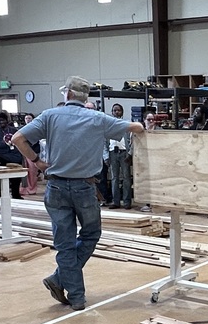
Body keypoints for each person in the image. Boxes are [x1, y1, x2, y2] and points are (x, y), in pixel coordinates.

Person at [11, 76, 144, 311]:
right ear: (85, 97)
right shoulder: (98, 118)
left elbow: (17, 139)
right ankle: (71, 290)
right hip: (85, 187)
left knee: (65, 244)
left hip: (56, 186)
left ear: (68, 94)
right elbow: (137, 128)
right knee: (91, 234)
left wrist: (38, 162)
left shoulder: (50, 116)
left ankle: (68, 287)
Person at [0, 112, 24, 199]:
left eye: (2, 120)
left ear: (7, 120)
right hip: (1, 158)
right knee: (0, 178)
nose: (1, 122)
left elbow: (20, 142)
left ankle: (16, 194)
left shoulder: (14, 130)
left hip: (15, 157)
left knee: (16, 178)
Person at [106, 103, 133, 209]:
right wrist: (106, 156)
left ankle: (127, 202)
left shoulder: (126, 124)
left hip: (124, 152)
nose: (116, 112)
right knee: (114, 178)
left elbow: (132, 140)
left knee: (126, 178)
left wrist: (130, 154)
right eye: (114, 110)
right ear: (112, 112)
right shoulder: (108, 125)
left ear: (122, 112)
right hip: (113, 153)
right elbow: (105, 141)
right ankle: (115, 201)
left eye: (118, 110)